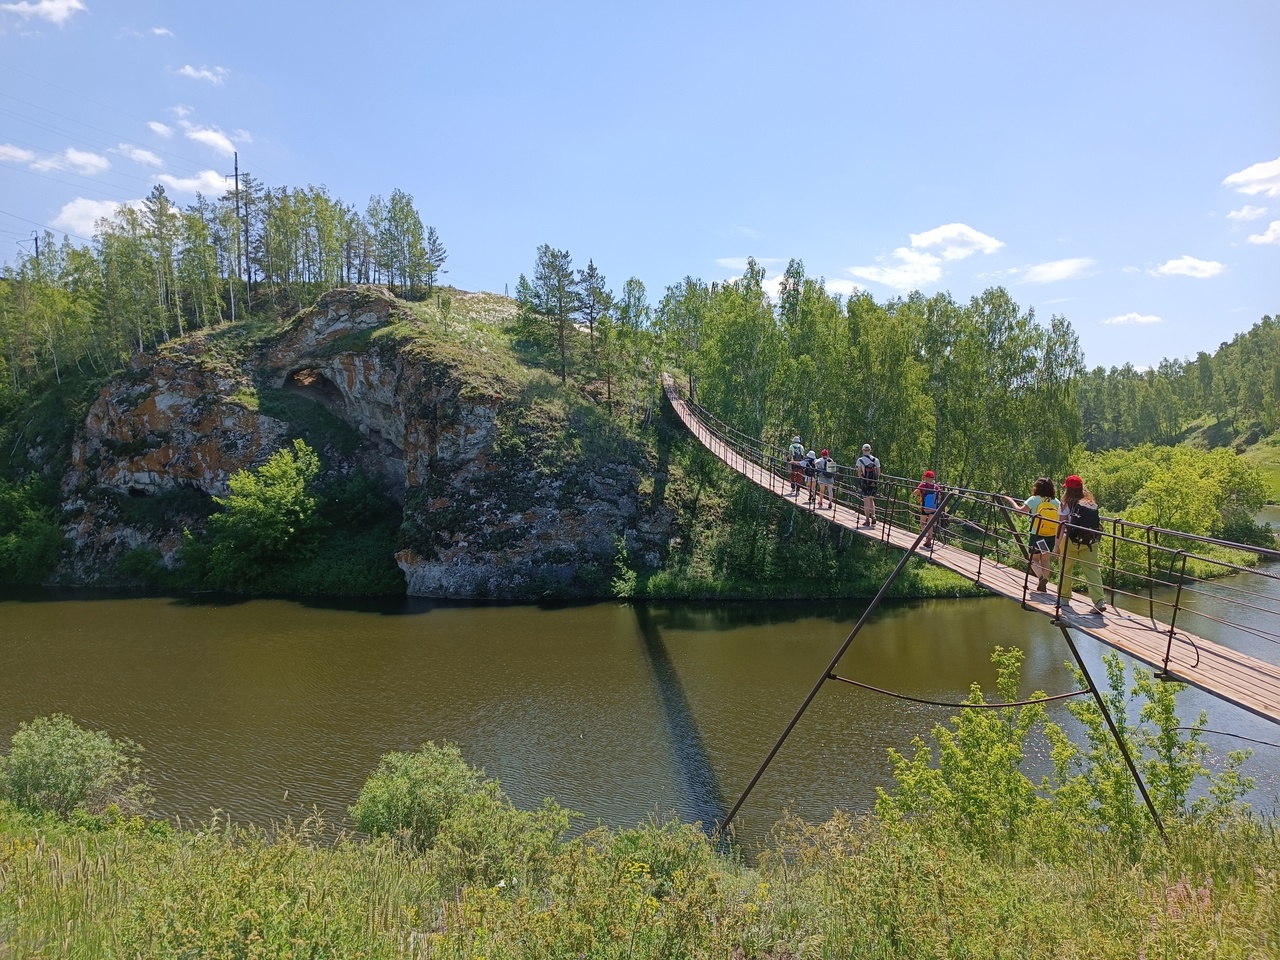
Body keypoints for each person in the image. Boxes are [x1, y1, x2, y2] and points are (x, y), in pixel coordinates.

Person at [1056, 474, 1106, 615]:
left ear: (1068, 490)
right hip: (1090, 541)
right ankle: (1099, 601)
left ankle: (1064, 599)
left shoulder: (1065, 503)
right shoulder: (1090, 503)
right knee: (1092, 570)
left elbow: (1062, 525)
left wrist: (1056, 545)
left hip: (1069, 541)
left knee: (1065, 569)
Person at [1003, 478, 1060, 593]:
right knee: (1045, 559)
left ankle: (1041, 578)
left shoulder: (1034, 499)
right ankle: (1044, 582)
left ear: (1037, 488)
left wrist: (1011, 501)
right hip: (1050, 535)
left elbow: (1020, 512)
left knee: (1033, 559)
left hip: (1037, 535)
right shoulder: (1056, 502)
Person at [914, 470, 941, 548]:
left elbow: (915, 493)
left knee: (922, 523)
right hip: (934, 508)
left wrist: (920, 487)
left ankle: (925, 535)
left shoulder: (923, 485)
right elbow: (939, 498)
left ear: (925, 477)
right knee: (930, 524)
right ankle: (929, 538)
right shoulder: (936, 487)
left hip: (925, 507)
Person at [855, 443, 880, 526]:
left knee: (866, 500)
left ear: (862, 450)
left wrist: (862, 477)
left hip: (865, 482)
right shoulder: (876, 460)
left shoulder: (860, 460)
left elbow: (859, 473)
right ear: (870, 450)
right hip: (874, 483)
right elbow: (878, 473)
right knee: (871, 499)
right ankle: (873, 515)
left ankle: (867, 520)